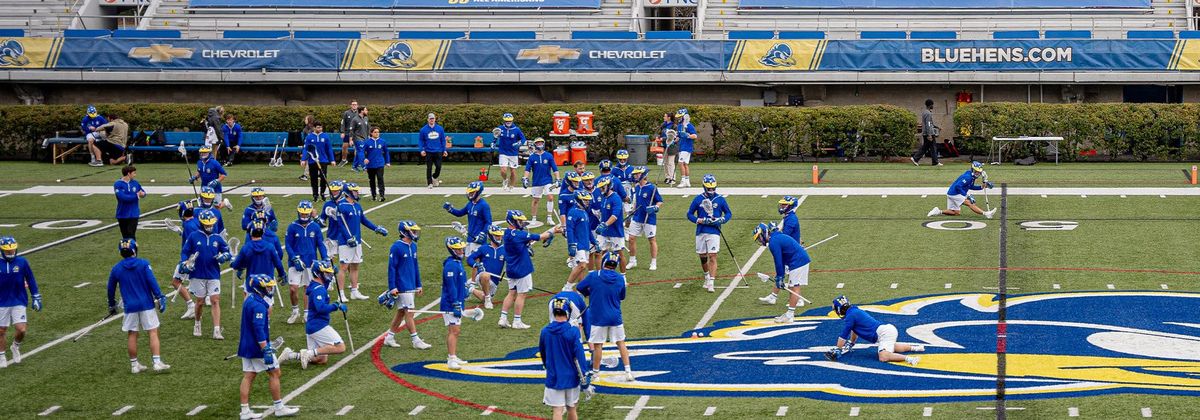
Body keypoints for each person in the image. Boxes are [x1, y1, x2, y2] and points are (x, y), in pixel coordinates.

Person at [237, 274, 300, 419]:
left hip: (246, 345)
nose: (271, 288)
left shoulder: (249, 299)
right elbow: (258, 328)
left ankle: (245, 411)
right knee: (275, 373)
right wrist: (265, 348)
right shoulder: (258, 305)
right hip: (257, 347)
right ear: (259, 288)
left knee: (248, 376)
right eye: (268, 286)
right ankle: (278, 407)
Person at [106, 238, 170, 374]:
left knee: (132, 334)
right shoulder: (143, 264)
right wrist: (160, 296)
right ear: (134, 250)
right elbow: (152, 282)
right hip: (146, 303)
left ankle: (134, 365)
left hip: (130, 306)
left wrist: (112, 304)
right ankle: (157, 362)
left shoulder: (116, 268)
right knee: (152, 331)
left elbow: (110, 288)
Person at [498, 210, 562, 329]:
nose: (521, 223)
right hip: (522, 268)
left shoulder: (507, 233)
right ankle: (517, 320)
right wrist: (554, 231)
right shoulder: (519, 235)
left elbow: (529, 240)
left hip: (511, 267)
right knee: (521, 295)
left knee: (511, 293)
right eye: (519, 221)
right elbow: (540, 237)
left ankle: (503, 318)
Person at [576, 252, 633, 382]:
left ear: (604, 263)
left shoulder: (594, 276)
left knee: (598, 346)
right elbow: (622, 296)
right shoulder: (619, 278)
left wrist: (589, 292)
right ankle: (628, 371)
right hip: (615, 316)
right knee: (621, 343)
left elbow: (580, 288)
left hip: (598, 316)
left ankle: (596, 374)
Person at [279, 260, 345, 369]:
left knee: (321, 359)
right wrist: (336, 306)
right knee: (340, 347)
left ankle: (290, 355)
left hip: (312, 326)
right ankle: (308, 353)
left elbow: (325, 284)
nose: (329, 275)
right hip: (319, 326)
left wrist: (333, 272)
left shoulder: (316, 285)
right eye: (327, 273)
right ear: (318, 274)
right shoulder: (318, 290)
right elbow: (320, 308)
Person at [826, 295, 923, 366]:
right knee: (892, 346)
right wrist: (851, 342)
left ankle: (910, 359)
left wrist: (838, 348)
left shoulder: (851, 315)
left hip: (884, 333)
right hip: (886, 331)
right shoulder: (854, 312)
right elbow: (854, 330)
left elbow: (844, 335)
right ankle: (916, 348)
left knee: (883, 356)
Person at [380, 221, 432, 350]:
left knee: (401, 312)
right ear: (405, 232)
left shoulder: (413, 246)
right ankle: (416, 340)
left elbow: (415, 266)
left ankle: (389, 337)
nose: (415, 233)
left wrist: (418, 284)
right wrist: (392, 287)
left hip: (411, 285)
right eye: (412, 231)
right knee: (410, 312)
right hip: (402, 285)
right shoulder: (396, 247)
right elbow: (391, 268)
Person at [183, 209, 232, 340]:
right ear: (201, 223)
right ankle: (197, 323)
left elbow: (227, 251)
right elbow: (185, 252)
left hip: (213, 273)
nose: (209, 227)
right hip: (198, 273)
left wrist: (224, 256)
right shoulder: (193, 236)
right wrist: (185, 263)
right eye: (207, 224)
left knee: (215, 300)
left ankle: (216, 330)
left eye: (211, 224)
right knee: (200, 302)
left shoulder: (217, 238)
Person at [539, 297, 592, 420]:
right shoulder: (573, 331)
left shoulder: (545, 332)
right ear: (567, 313)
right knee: (572, 408)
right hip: (571, 376)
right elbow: (580, 356)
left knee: (557, 411)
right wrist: (584, 376)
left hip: (554, 376)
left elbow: (543, 353)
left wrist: (549, 367)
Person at [333, 183, 387, 300]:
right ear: (348, 192)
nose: (357, 193)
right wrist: (348, 238)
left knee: (355, 266)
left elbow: (364, 220)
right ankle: (341, 294)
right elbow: (341, 225)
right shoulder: (341, 206)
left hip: (357, 241)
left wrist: (376, 228)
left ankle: (354, 291)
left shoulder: (357, 206)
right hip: (345, 242)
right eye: (355, 191)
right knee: (343, 267)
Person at [754, 222, 811, 324]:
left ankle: (789, 316)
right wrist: (780, 277)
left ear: (764, 233)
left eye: (759, 237)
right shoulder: (776, 237)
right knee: (793, 286)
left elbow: (778, 261)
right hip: (798, 261)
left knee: (794, 287)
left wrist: (780, 277)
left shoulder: (773, 242)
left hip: (798, 262)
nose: (760, 240)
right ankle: (789, 313)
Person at [284, 201, 328, 325]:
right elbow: (288, 245)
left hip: (311, 262)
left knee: (308, 289)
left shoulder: (315, 227)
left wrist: (325, 258)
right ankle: (295, 311)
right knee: (293, 289)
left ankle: (307, 313)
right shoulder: (292, 227)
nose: (303, 216)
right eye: (302, 214)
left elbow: (320, 244)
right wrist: (294, 258)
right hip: (295, 263)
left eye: (306, 214)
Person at [685, 174, 732, 293]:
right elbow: (689, 214)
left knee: (712, 255)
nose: (711, 191)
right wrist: (699, 220)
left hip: (714, 231)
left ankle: (711, 281)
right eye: (709, 188)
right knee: (702, 256)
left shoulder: (720, 199)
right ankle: (706, 275)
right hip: (701, 231)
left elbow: (728, 214)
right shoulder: (698, 199)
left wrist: (721, 220)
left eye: (713, 188)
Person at [0, 236, 41, 368]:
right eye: (8, 251)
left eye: (12, 251)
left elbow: (31, 280)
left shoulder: (22, 262)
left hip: (18, 300)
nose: (11, 253)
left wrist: (36, 297)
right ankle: (1, 356)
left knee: (21, 329)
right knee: (1, 331)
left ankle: (15, 347)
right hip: (1, 302)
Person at [760, 196, 802, 305]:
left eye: (784, 205)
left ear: (790, 206)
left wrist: (775, 231)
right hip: (792, 249)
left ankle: (798, 299)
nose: (782, 206)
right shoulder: (788, 217)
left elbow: (785, 236)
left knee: (791, 276)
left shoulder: (791, 219)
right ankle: (773, 296)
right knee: (787, 274)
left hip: (791, 252)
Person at [440, 236, 472, 370]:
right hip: (451, 304)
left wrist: (465, 291)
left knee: (455, 330)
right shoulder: (451, 265)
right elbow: (451, 286)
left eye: (461, 249)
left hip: (457, 301)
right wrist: (455, 303)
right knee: (454, 330)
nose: (461, 251)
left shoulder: (456, 263)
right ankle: (451, 358)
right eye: (458, 249)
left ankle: (453, 356)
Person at [927, 161, 996, 219]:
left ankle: (938, 211)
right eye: (976, 171)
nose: (977, 174)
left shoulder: (971, 176)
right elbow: (958, 186)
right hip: (955, 194)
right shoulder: (968, 177)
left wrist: (983, 186)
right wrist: (967, 196)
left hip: (952, 193)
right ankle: (986, 214)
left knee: (955, 212)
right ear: (972, 170)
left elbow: (970, 186)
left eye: (979, 172)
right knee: (970, 203)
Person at [625, 167, 662, 271]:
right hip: (637, 217)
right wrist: (632, 210)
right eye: (635, 174)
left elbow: (659, 201)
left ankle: (653, 262)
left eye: (637, 174)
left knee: (651, 239)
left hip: (649, 218)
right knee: (631, 238)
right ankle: (632, 261)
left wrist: (655, 207)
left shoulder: (652, 188)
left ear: (643, 175)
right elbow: (636, 201)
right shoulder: (636, 187)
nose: (635, 176)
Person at [444, 181, 492, 257]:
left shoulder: (484, 205)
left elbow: (488, 222)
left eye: (472, 192)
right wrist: (450, 209)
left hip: (478, 239)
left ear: (478, 192)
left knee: (475, 261)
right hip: (470, 238)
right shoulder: (470, 204)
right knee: (468, 260)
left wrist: (482, 233)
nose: (470, 194)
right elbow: (460, 213)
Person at [169, 201, 199, 320]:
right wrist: (178, 230)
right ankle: (195, 306)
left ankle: (192, 306)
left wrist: (188, 261)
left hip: (190, 258)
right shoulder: (195, 220)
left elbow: (193, 241)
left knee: (176, 282)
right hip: (196, 256)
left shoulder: (188, 225)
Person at [466, 225, 505, 310]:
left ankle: (470, 289)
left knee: (483, 297)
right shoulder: (483, 248)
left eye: (500, 235)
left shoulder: (504, 249)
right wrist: (476, 265)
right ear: (491, 236)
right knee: (485, 275)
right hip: (482, 276)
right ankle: (488, 300)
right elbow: (470, 259)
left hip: (494, 282)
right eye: (497, 235)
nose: (499, 237)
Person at [523, 137, 560, 226]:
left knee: (550, 197)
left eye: (541, 143)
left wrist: (558, 179)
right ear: (535, 145)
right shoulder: (532, 157)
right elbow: (527, 169)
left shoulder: (549, 156)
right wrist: (525, 178)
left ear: (543, 144)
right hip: (536, 182)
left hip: (548, 181)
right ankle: (534, 218)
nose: (540, 144)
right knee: (536, 200)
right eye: (538, 143)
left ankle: (549, 218)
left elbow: (555, 169)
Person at [592, 176, 626, 273]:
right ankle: (599, 274)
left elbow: (615, 216)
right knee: (598, 252)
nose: (601, 189)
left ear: (609, 186)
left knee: (619, 254)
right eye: (600, 187)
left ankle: (623, 276)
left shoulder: (616, 198)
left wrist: (605, 224)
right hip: (604, 232)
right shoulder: (603, 197)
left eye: (603, 187)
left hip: (615, 231)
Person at [241, 187, 282, 261]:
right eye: (256, 196)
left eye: (260, 196)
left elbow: (274, 221)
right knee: (250, 259)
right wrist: (256, 221)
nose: (259, 198)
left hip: (267, 237)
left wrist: (273, 226)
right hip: (252, 238)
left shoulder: (268, 209)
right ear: (252, 197)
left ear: (263, 196)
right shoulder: (248, 210)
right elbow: (244, 226)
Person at [563, 190, 594, 289]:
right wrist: (571, 244)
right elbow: (570, 229)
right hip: (578, 244)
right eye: (585, 200)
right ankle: (567, 287)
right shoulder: (573, 212)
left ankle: (581, 288)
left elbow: (588, 229)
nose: (587, 202)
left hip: (585, 244)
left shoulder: (584, 212)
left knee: (582, 269)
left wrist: (594, 242)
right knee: (582, 265)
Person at [304, 122, 335, 202]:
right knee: (313, 178)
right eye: (318, 127)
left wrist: (332, 160)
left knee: (323, 178)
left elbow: (329, 149)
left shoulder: (325, 136)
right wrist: (303, 159)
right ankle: (315, 194)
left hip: (323, 160)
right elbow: (306, 149)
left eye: (321, 127)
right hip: (312, 160)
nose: (319, 129)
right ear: (314, 128)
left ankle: (322, 193)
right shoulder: (309, 137)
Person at [495, 112, 526, 191]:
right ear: (504, 121)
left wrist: (518, 143)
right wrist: (493, 143)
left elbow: (523, 139)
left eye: (509, 121)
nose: (508, 122)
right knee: (503, 170)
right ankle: (505, 180)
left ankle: (511, 186)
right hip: (503, 152)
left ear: (512, 121)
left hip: (513, 153)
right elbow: (495, 136)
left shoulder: (517, 129)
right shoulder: (500, 128)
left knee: (512, 171)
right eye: (506, 121)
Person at [113, 165, 146, 240]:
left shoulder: (135, 183)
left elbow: (142, 191)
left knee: (131, 235)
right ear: (128, 174)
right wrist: (136, 196)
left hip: (133, 214)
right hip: (122, 214)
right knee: (125, 236)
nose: (135, 175)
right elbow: (122, 198)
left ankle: (133, 251)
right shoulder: (118, 184)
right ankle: (126, 251)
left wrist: (143, 194)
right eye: (134, 173)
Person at [910, 99, 942, 166]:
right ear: (930, 105)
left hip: (926, 133)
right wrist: (929, 135)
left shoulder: (925, 112)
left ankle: (916, 158)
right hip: (929, 133)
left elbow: (930, 123)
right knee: (932, 147)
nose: (933, 106)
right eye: (932, 105)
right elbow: (928, 124)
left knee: (927, 147)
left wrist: (937, 127)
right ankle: (916, 158)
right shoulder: (928, 113)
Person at [420, 113, 448, 188]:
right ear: (428, 120)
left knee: (438, 167)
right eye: (430, 119)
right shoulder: (423, 130)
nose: (431, 120)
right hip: (428, 151)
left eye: (433, 118)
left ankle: (434, 177)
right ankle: (430, 183)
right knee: (429, 167)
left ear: (435, 119)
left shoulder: (440, 129)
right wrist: (422, 150)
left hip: (438, 151)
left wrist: (444, 150)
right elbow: (421, 141)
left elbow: (443, 140)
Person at [362, 126, 390, 201]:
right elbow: (361, 152)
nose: (377, 133)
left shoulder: (382, 141)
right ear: (371, 133)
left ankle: (382, 195)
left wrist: (387, 162)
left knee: (380, 179)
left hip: (380, 164)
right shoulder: (367, 142)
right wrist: (364, 159)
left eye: (378, 132)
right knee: (372, 180)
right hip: (370, 165)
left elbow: (386, 152)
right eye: (375, 132)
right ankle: (373, 195)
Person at [673, 109, 698, 188]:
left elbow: (695, 136)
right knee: (685, 164)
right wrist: (672, 140)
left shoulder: (689, 125)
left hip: (687, 147)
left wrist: (687, 135)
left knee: (680, 163)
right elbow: (678, 137)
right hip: (681, 146)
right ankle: (687, 181)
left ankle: (683, 181)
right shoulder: (680, 126)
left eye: (680, 117)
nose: (679, 118)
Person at [338, 99, 359, 167]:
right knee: (344, 146)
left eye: (355, 104)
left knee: (357, 147)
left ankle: (357, 162)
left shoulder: (359, 113)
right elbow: (343, 123)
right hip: (347, 133)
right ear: (351, 105)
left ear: (357, 105)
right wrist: (342, 132)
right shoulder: (346, 113)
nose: (354, 106)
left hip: (356, 133)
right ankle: (344, 160)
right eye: (353, 104)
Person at [350, 106, 370, 172]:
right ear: (362, 111)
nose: (367, 111)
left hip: (365, 138)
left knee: (359, 152)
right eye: (366, 110)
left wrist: (369, 137)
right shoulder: (354, 119)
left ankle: (354, 166)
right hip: (357, 138)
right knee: (361, 152)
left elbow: (368, 129)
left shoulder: (366, 118)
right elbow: (351, 130)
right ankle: (364, 167)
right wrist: (351, 140)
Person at [298, 115, 315, 181]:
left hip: (312, 147)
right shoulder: (306, 128)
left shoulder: (313, 129)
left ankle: (306, 175)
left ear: (309, 120)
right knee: (310, 161)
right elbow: (304, 139)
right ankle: (307, 174)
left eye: (306, 119)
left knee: (311, 161)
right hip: (307, 146)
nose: (305, 120)